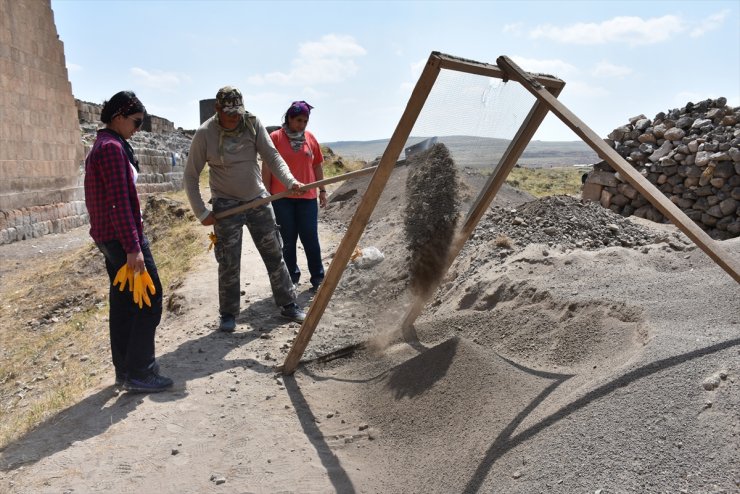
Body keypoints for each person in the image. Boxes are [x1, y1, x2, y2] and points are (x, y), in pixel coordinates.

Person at [184, 86, 307, 333]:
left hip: (257, 200)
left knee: (274, 253)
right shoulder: (205, 133)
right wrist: (202, 212)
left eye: (238, 112)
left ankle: (288, 303)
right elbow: (190, 176)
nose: (235, 118)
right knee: (228, 261)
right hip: (225, 205)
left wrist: (290, 180)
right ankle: (228, 313)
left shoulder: (251, 123)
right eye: (229, 113)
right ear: (217, 110)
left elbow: (272, 157)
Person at [84, 90, 173, 393]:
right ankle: (140, 371)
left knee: (124, 303)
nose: (138, 129)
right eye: (136, 122)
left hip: (112, 238)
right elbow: (118, 203)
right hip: (123, 240)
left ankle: (126, 370)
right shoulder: (110, 148)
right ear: (118, 117)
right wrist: (133, 248)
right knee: (148, 299)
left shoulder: (107, 144)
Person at [263, 101, 326, 290]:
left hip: (307, 198)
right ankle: (291, 278)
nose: (302, 124)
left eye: (305, 121)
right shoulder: (275, 138)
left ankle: (318, 278)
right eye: (299, 120)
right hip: (282, 198)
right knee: (288, 240)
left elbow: (317, 165)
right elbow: (267, 166)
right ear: (289, 118)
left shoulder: (310, 138)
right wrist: (266, 194)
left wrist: (322, 190)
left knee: (310, 238)